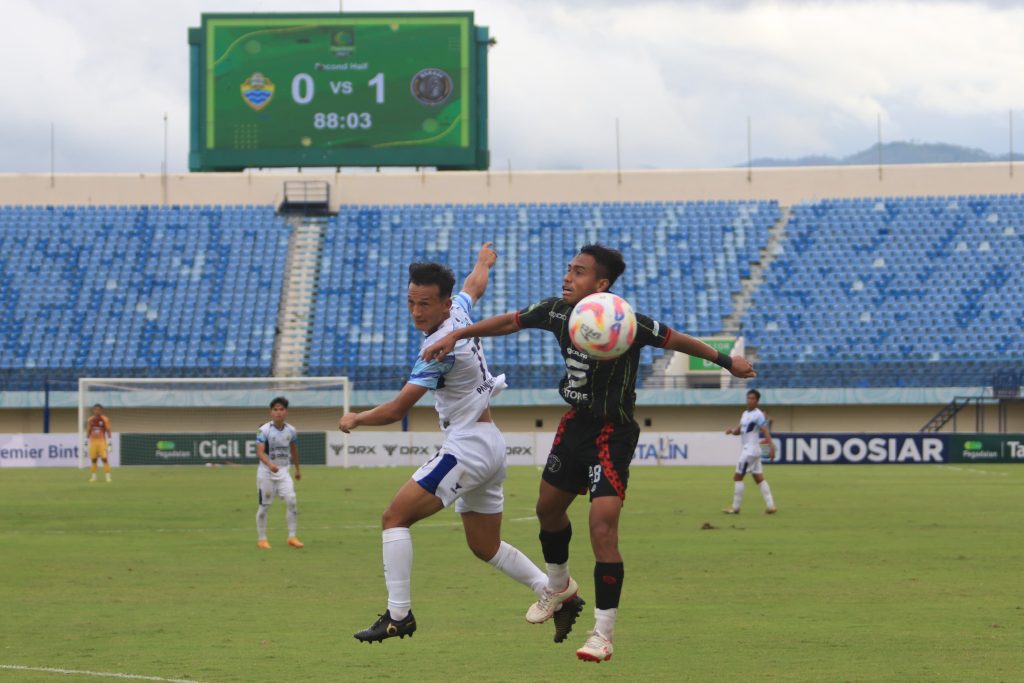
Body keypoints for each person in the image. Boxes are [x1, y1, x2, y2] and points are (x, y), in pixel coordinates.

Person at [421, 243, 756, 663]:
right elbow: (510, 321)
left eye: (578, 272)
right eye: (568, 269)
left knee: (602, 527)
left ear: (601, 284)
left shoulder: (626, 321)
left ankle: (602, 633)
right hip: (575, 426)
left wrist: (727, 361)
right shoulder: (558, 312)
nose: (567, 277)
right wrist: (456, 333)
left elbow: (676, 339)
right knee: (547, 510)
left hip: (613, 433)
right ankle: (557, 587)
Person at [341, 243, 584, 645]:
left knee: (394, 518)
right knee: (484, 545)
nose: (417, 312)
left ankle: (398, 615)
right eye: (411, 302)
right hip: (489, 443)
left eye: (425, 304)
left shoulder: (437, 349)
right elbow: (474, 286)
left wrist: (356, 418)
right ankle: (557, 592)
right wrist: (483, 261)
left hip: (467, 446)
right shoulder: (459, 314)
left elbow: (397, 409)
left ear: (443, 304)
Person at [255, 397, 303, 550]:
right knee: (264, 507)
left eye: (281, 409)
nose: (278, 413)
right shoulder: (263, 430)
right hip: (266, 474)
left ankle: (292, 536)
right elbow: (260, 452)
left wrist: (297, 469)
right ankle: (262, 539)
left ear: (286, 412)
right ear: (271, 412)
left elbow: (294, 450)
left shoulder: (291, 430)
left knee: (292, 501)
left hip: (283, 472)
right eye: (275, 410)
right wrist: (270, 464)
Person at [722, 389, 777, 515]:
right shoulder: (745, 414)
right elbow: (739, 431)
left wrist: (771, 446)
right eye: (748, 398)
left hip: (749, 451)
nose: (750, 400)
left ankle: (735, 508)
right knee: (759, 478)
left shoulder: (758, 415)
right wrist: (731, 431)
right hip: (753, 451)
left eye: (752, 398)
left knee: (737, 477)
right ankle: (771, 506)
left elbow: (765, 431)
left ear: (757, 401)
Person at [87, 403, 112, 483]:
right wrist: (85, 441)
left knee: (104, 459)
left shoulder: (105, 419)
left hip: (102, 442)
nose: (97, 411)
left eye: (98, 410)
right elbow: (89, 430)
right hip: (93, 442)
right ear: (93, 410)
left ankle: (108, 477)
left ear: (101, 410)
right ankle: (93, 477)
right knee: (94, 460)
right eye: (95, 409)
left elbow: (108, 430)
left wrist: (110, 442)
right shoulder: (90, 419)